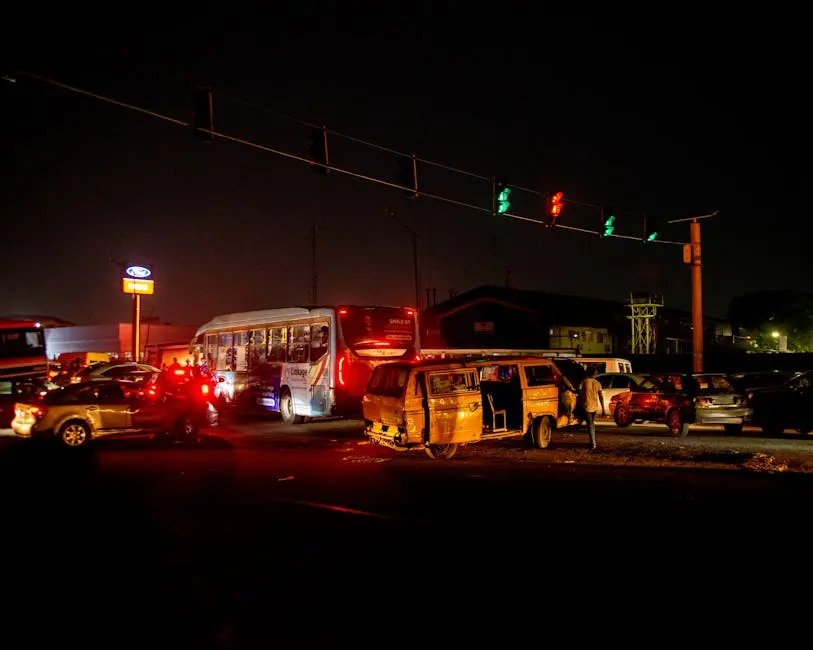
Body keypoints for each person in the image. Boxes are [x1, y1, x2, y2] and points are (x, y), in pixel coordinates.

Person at [579, 367, 605, 450]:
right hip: (594, 407)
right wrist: (603, 408)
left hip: (586, 406)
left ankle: (593, 442)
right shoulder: (597, 383)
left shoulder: (583, 382)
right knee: (591, 424)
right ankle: (592, 441)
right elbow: (601, 396)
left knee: (590, 425)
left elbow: (579, 393)